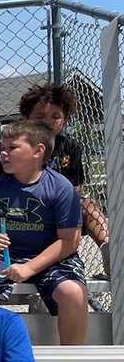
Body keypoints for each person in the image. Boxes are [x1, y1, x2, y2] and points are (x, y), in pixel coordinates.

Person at [0, 120, 89, 362]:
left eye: (12, 147)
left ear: (38, 151)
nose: (3, 153)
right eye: (2, 147)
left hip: (53, 257)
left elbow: (69, 241)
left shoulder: (60, 187)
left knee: (73, 292)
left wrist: (29, 268)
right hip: (6, 256)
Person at [20, 81, 111, 276]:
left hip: (62, 208)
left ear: (65, 121)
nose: (48, 121)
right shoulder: (19, 147)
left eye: (56, 117)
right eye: (40, 116)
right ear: (26, 119)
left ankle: (109, 249)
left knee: (87, 203)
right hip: (24, 204)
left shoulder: (70, 147)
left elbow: (75, 187)